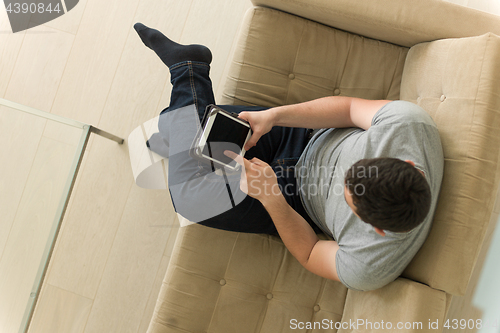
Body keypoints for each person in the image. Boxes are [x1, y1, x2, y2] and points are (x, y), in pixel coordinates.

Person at [134, 23, 444, 291]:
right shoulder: (410, 126)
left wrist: (271, 198)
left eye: (347, 197)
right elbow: (349, 109)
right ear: (408, 162)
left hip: (292, 200)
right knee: (206, 126)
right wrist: (275, 116)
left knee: (188, 197)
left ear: (374, 228)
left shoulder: (370, 265)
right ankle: (182, 127)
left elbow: (310, 252)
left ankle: (188, 77)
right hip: (304, 135)